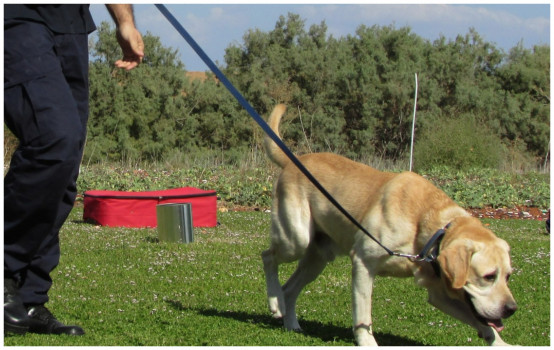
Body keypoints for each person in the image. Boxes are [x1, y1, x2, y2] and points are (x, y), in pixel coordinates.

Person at [4, 4, 144, 336]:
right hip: (16, 16)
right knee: (54, 139)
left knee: (66, 166)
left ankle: (28, 295)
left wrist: (125, 21)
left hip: (71, 23)